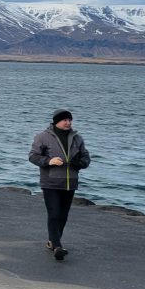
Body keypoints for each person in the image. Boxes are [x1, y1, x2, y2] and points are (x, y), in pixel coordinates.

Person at [28, 109, 91, 261]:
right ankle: (57, 246)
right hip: (51, 182)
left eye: (70, 120)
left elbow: (86, 158)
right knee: (54, 213)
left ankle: (53, 242)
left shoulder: (77, 138)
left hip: (70, 183)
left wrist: (79, 163)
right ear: (56, 121)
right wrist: (49, 161)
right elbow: (33, 156)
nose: (68, 123)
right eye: (65, 120)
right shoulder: (43, 137)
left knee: (62, 215)